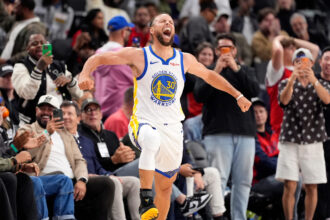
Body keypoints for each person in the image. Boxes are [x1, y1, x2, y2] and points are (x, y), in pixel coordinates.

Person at [78, 13, 251, 220]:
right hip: (143, 122)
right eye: (162, 21)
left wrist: (237, 94)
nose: (168, 23)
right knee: (150, 140)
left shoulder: (184, 59)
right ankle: (145, 199)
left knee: (166, 188)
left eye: (171, 21)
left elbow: (210, 76)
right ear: (151, 30)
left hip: (172, 128)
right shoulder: (139, 55)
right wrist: (85, 73)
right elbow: (99, 58)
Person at [19, 94, 115, 220]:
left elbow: (79, 160)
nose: (46, 112)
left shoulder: (65, 133)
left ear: (56, 113)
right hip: (44, 179)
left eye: (50, 109)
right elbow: (26, 155)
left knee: (106, 184)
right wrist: (46, 133)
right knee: (63, 180)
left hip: (72, 179)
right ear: (37, 110)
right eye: (43, 109)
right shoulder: (27, 130)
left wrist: (81, 180)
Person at [194, 33, 259, 220]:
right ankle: (216, 216)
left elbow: (254, 91)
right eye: (222, 48)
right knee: (218, 179)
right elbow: (199, 95)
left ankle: (239, 217)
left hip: (245, 133)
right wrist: (217, 70)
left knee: (244, 181)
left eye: (229, 48)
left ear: (235, 51)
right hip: (217, 132)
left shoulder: (246, 71)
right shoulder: (207, 71)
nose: (225, 52)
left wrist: (236, 69)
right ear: (216, 51)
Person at [276, 48, 330, 220]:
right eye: (298, 61)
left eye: (306, 61)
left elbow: (327, 100)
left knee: (312, 185)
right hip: (290, 139)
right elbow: (284, 101)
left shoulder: (322, 84)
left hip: (314, 140)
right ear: (293, 64)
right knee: (290, 185)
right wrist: (293, 78)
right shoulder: (285, 83)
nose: (302, 64)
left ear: (313, 64)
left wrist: (313, 79)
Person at [12, 33, 83, 125]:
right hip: (33, 121)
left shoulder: (58, 66)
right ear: (27, 49)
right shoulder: (20, 67)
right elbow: (27, 94)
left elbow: (79, 94)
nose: (39, 46)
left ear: (48, 45)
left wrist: (70, 81)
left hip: (59, 118)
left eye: (42, 43)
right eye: (34, 44)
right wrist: (38, 69)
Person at [265, 35, 319, 139]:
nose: (295, 51)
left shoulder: (302, 70)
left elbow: (314, 49)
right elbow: (277, 51)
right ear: (283, 50)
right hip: (283, 131)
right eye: (290, 48)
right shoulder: (277, 71)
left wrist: (291, 40)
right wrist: (278, 39)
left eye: (296, 48)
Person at [93, 15, 134, 120]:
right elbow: (139, 80)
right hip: (119, 116)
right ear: (123, 32)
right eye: (129, 30)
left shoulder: (97, 54)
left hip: (99, 114)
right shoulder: (124, 56)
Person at [0, 0, 46, 65]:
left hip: (13, 69)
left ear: (25, 9)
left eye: (17, 8)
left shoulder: (35, 29)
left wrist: (7, 61)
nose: (14, 10)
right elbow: (4, 20)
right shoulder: (18, 21)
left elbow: (28, 52)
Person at [314, 46, 330, 219]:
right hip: (317, 144)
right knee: (319, 191)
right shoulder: (313, 82)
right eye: (326, 58)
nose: (329, 63)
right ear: (320, 62)